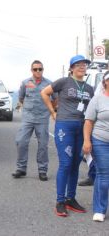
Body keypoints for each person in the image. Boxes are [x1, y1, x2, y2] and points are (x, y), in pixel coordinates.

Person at [41, 55, 94, 217]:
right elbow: (44, 93)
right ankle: (60, 201)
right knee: (65, 163)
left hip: (82, 127)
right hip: (65, 126)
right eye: (78, 65)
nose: (81, 67)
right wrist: (52, 112)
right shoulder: (63, 82)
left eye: (84, 65)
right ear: (71, 68)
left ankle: (71, 199)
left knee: (76, 164)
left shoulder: (89, 88)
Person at [12, 60, 54, 181]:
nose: (38, 71)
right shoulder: (25, 83)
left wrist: (51, 111)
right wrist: (28, 109)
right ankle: (21, 168)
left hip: (42, 118)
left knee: (43, 145)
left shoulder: (49, 84)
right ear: (31, 70)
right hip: (28, 118)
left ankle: (42, 170)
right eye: (35, 69)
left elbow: (55, 98)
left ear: (43, 70)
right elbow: (21, 98)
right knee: (21, 142)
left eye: (40, 69)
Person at [83, 70, 109, 222]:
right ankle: (100, 209)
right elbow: (88, 122)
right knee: (104, 175)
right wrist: (87, 141)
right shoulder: (97, 99)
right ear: (105, 82)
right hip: (101, 141)